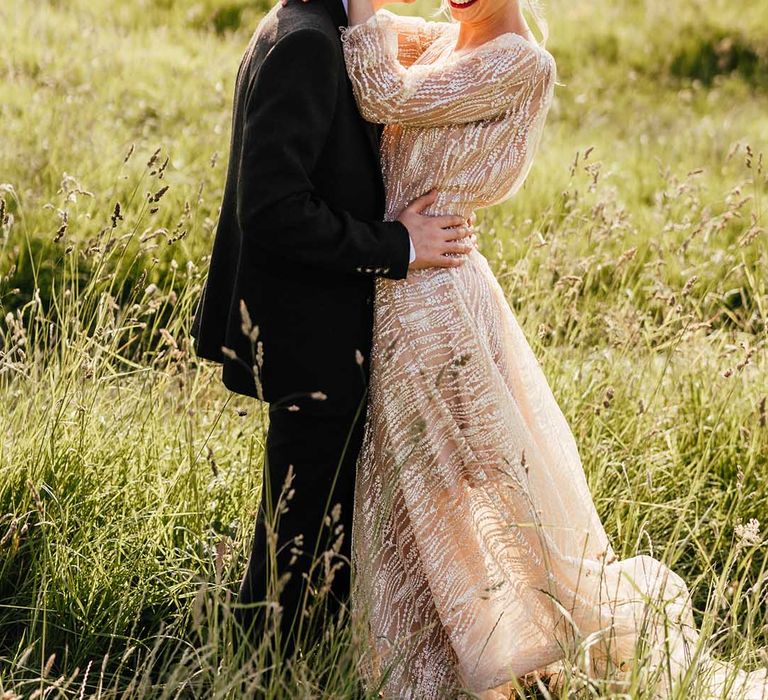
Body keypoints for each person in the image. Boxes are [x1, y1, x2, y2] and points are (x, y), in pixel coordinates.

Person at [336, 0, 768, 698]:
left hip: (434, 297)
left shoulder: (520, 62)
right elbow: (386, 44)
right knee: (417, 481)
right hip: (407, 279)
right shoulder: (450, 41)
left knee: (457, 481)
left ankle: (501, 653)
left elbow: (383, 90)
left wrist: (360, 8)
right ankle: (447, 645)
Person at [189, 0, 476, 664]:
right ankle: (270, 663)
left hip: (308, 319)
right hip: (308, 328)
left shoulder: (302, 23)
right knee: (306, 519)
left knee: (307, 508)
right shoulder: (308, 45)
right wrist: (396, 244)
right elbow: (272, 206)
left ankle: (281, 652)